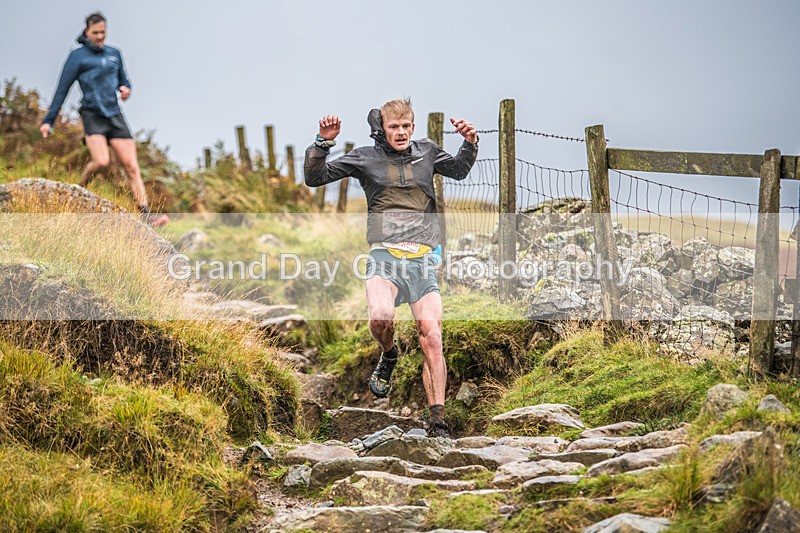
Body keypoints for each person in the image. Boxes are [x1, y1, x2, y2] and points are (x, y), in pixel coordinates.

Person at [304, 98, 478, 437]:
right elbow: (316, 178)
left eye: (406, 126)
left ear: (413, 127)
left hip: (422, 260)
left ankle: (437, 420)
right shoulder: (365, 157)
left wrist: (470, 143)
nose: (401, 132)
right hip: (384, 257)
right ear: (381, 129)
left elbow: (458, 169)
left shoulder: (427, 151)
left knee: (432, 336)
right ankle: (389, 353)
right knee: (380, 318)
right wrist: (323, 143)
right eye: (394, 127)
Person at [39, 12, 168, 226]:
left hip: (114, 114)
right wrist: (48, 120)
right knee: (101, 161)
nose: (100, 37)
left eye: (103, 33)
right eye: (96, 33)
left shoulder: (114, 54)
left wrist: (126, 89)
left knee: (132, 166)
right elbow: (62, 90)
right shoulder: (77, 57)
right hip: (92, 114)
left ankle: (145, 215)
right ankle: (78, 192)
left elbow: (124, 81)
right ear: (86, 32)